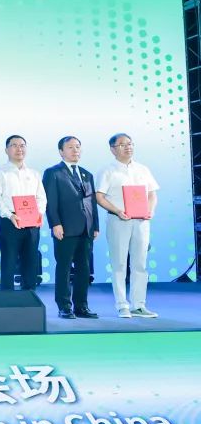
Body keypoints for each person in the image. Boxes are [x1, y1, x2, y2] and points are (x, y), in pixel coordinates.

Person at [96, 133, 160, 318]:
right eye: (122, 144)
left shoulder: (143, 169)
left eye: (130, 144)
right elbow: (99, 196)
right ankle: (122, 305)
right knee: (119, 264)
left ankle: (139, 305)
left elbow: (152, 194)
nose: (128, 147)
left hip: (141, 221)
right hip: (118, 221)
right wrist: (117, 211)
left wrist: (150, 210)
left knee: (140, 263)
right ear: (112, 149)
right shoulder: (107, 171)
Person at [43, 136, 100, 319]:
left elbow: (91, 202)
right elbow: (50, 202)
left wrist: (95, 225)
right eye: (70, 147)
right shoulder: (53, 173)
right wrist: (55, 224)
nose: (75, 150)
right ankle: (64, 306)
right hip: (65, 229)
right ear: (61, 151)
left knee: (84, 269)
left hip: (86, 229)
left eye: (77, 147)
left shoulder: (86, 174)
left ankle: (81, 306)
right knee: (64, 268)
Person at [0, 135, 47, 291]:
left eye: (22, 145)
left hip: (32, 222)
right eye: (14, 145)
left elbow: (41, 197)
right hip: (10, 221)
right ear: (6, 150)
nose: (19, 149)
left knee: (31, 260)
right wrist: (10, 215)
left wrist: (39, 214)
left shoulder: (34, 173)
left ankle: (29, 296)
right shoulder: (0, 172)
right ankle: (7, 298)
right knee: (8, 261)